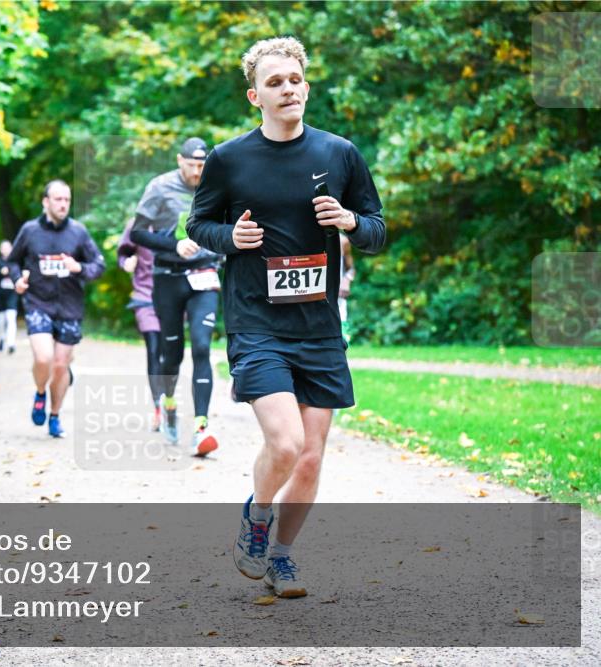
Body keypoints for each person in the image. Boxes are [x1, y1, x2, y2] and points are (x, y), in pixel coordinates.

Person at [186, 37, 385, 597]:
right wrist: (232, 237)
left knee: (311, 457)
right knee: (287, 443)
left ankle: (282, 557)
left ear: (307, 87)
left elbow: (376, 229)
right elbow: (198, 225)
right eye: (274, 82)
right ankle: (256, 517)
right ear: (256, 96)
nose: (287, 89)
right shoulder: (229, 158)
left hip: (319, 327)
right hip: (257, 323)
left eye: (295, 80)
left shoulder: (339, 153)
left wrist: (349, 220)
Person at [129, 137, 223, 458]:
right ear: (180, 161)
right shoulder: (160, 187)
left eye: (202, 166)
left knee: (202, 346)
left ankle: (201, 427)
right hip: (167, 278)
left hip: (204, 275)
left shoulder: (217, 185)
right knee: (172, 354)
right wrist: (174, 246)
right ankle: (168, 402)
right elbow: (138, 233)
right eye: (192, 165)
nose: (197, 172)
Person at [10, 180, 105, 438]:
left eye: (67, 200)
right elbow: (13, 261)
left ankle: (54, 415)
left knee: (61, 365)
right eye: (58, 199)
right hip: (38, 303)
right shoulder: (30, 230)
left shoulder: (78, 232)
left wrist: (79, 268)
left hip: (69, 307)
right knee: (44, 358)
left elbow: (98, 265)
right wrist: (17, 280)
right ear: (46, 202)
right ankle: (40, 393)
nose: (63, 204)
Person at [117, 219, 162, 431]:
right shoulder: (136, 224)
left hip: (172, 297)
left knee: (169, 354)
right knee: (153, 350)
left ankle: (168, 400)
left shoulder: (177, 218)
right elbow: (123, 253)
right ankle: (159, 409)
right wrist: (126, 262)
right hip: (144, 296)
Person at [0, 240, 21, 354]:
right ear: (0, 250)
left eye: (8, 248)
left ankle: (11, 343)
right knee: (1, 320)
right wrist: (0, 273)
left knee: (11, 318)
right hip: (0, 295)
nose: (6, 250)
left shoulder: (15, 262)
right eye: (3, 248)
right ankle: (2, 338)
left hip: (12, 294)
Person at [338, 234, 355, 341]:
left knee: (342, 338)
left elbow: (351, 268)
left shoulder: (343, 241)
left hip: (337, 296)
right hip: (314, 297)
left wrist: (346, 280)